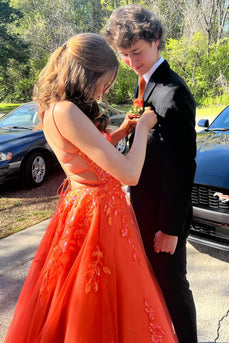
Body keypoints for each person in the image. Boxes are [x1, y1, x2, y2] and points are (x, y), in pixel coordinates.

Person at [4, 33, 178, 343]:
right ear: (86, 74)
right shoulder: (67, 111)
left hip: (89, 207)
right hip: (98, 216)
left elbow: (89, 154)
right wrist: (143, 130)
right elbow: (128, 173)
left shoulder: (54, 108)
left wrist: (124, 129)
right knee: (96, 301)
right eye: (105, 81)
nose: (105, 89)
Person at [104, 5, 197, 343]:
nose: (130, 61)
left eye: (137, 52)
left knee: (173, 289)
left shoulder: (172, 92)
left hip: (162, 219)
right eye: (124, 54)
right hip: (142, 213)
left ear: (157, 41)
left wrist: (171, 229)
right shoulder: (146, 86)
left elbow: (182, 167)